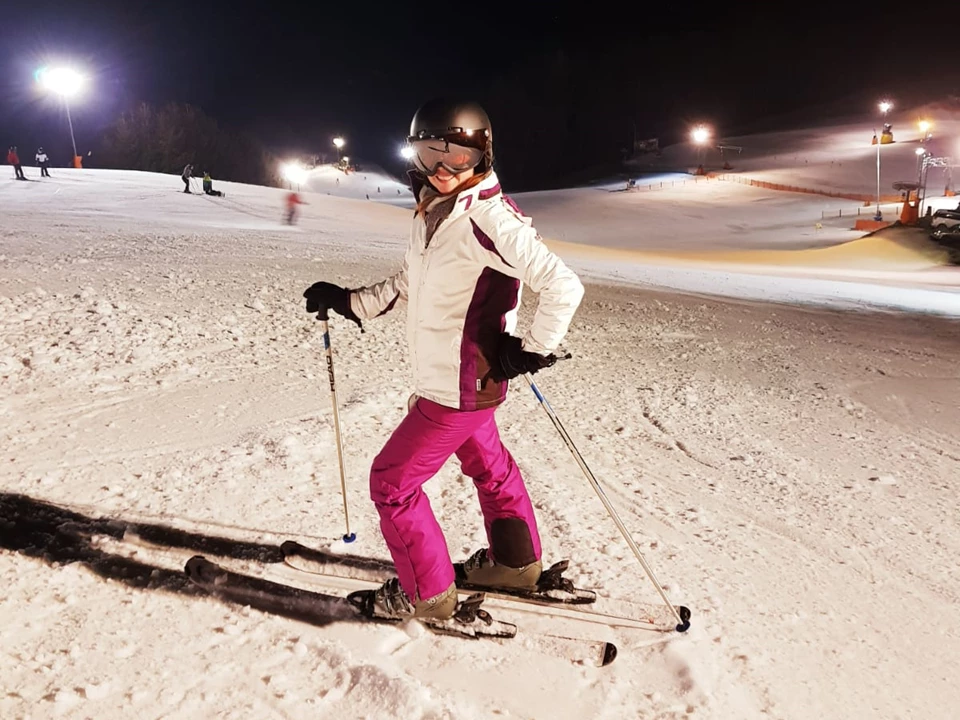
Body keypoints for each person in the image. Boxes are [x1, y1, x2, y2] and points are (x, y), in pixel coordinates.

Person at [302, 99, 584, 621]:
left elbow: (562, 284)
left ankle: (426, 595)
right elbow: (411, 284)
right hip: (460, 385)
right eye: (430, 153)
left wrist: (532, 349)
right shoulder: (436, 211)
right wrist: (346, 300)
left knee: (392, 483)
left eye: (456, 156)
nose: (442, 169)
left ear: (483, 153)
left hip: (460, 386)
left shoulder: (488, 217)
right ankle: (514, 564)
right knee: (489, 468)